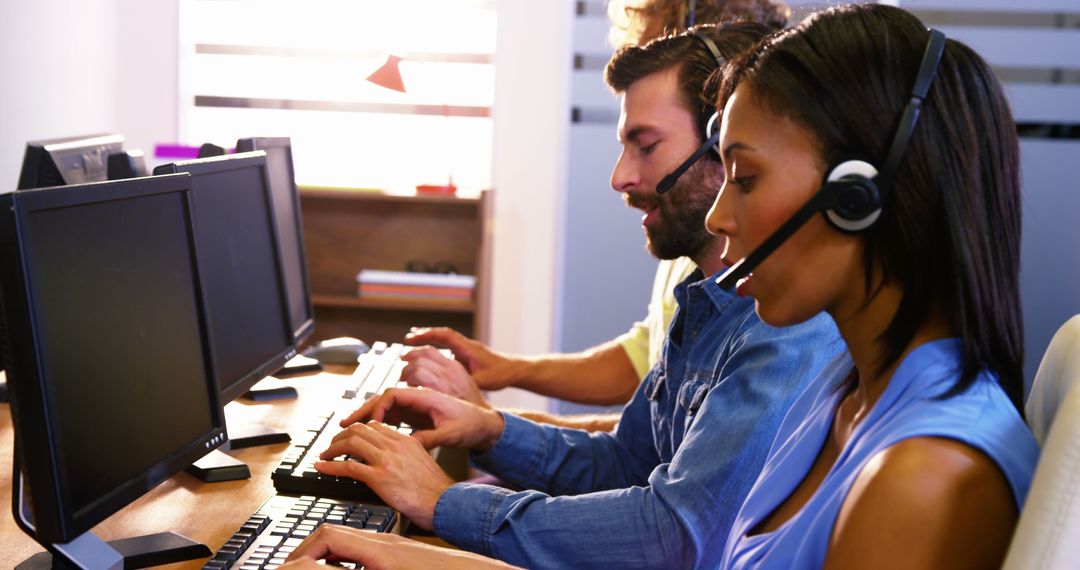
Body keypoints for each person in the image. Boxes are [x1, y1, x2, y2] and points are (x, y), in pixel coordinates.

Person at [288, 23, 843, 569]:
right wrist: (491, 430)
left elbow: (673, 536)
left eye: (645, 146)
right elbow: (631, 461)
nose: (620, 177)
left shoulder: (787, 326)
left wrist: (442, 503)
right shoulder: (703, 299)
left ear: (719, 151)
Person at [700, 4, 1039, 568]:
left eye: (745, 179)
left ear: (857, 198)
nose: (717, 218)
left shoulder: (924, 481)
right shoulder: (843, 388)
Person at [402, 0, 790, 432]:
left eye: (664, 47)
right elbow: (645, 376)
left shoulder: (768, 308)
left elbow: (664, 481)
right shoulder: (694, 252)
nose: (621, 177)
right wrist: (504, 374)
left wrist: (489, 427)